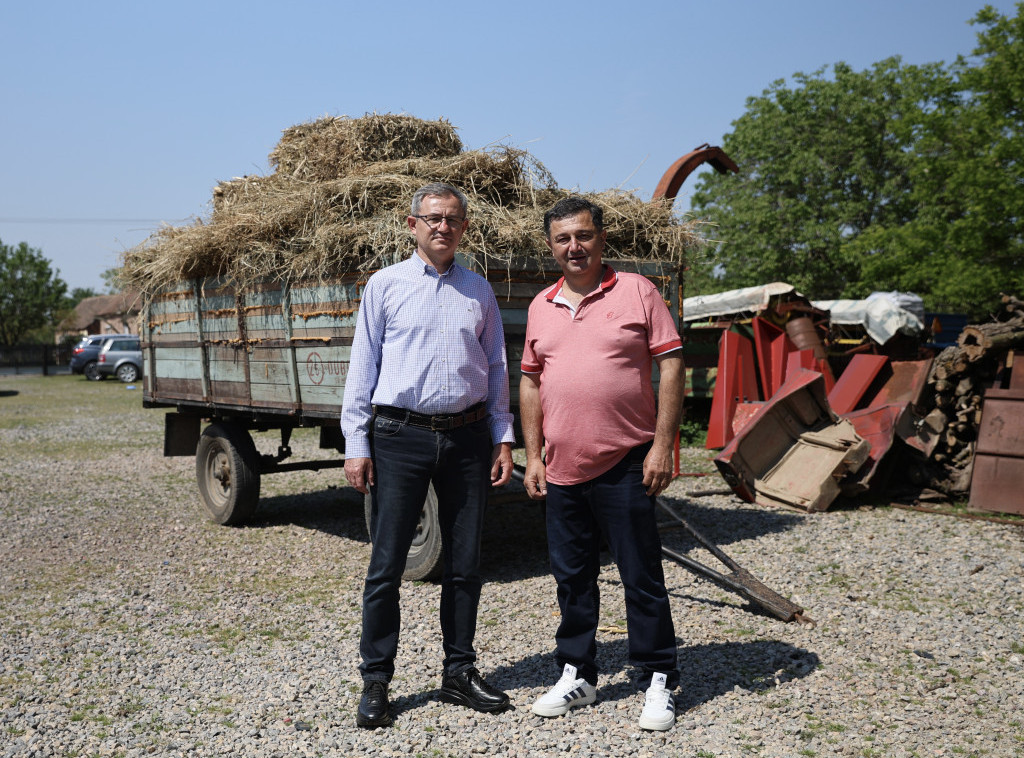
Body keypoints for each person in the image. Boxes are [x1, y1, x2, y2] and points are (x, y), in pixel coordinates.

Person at [341, 182, 516, 729]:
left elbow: (496, 368)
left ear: (465, 228)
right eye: (434, 218)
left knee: (465, 564)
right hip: (399, 436)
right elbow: (363, 365)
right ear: (411, 224)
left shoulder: (478, 290)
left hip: (466, 438)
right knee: (387, 565)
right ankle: (376, 680)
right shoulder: (385, 284)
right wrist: (356, 443)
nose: (444, 227)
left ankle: (458, 672)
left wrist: (502, 437)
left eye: (453, 219)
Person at [519, 196, 683, 731]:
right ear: (550, 246)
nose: (574, 246)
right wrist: (533, 455)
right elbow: (530, 381)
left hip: (627, 461)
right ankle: (578, 673)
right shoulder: (541, 305)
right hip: (562, 467)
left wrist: (663, 445)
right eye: (563, 238)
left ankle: (658, 678)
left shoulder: (638, 290)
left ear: (601, 238)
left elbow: (672, 364)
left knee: (641, 576)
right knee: (572, 579)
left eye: (583, 235)